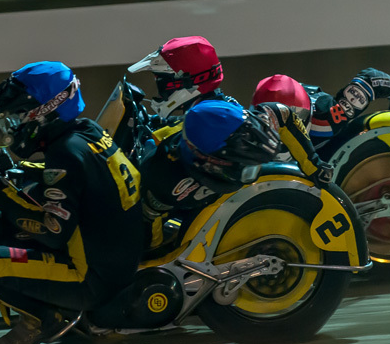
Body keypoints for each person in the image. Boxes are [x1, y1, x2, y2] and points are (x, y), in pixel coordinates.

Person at [0, 61, 144, 344]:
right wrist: (19, 170)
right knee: (25, 205)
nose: (13, 125)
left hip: (91, 280)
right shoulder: (86, 132)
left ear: (44, 112)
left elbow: (53, 232)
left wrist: (1, 196)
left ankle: (47, 318)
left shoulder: (66, 153)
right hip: (116, 256)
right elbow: (70, 178)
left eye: (18, 116)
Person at [138, 98, 332, 251]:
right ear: (207, 161)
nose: (250, 169)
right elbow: (151, 235)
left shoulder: (251, 126)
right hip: (162, 200)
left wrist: (313, 164)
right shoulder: (161, 181)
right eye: (243, 165)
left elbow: (282, 114)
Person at [251, 69, 390, 143]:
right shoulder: (249, 124)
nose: (283, 128)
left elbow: (371, 79)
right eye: (272, 120)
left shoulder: (328, 117)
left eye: (291, 120)